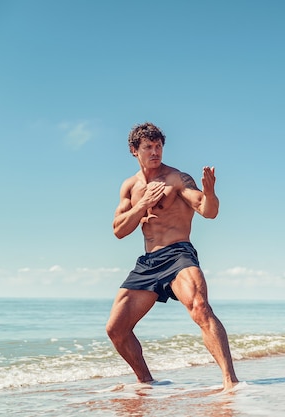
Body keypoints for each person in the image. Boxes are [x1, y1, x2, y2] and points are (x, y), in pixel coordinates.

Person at [106, 122, 238, 390]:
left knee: (201, 307)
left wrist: (210, 193)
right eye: (148, 147)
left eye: (159, 147)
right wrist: (142, 206)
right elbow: (119, 230)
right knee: (116, 329)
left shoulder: (177, 178)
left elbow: (208, 210)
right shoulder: (129, 186)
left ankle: (230, 382)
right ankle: (146, 383)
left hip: (178, 254)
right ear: (134, 150)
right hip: (148, 262)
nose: (155, 152)